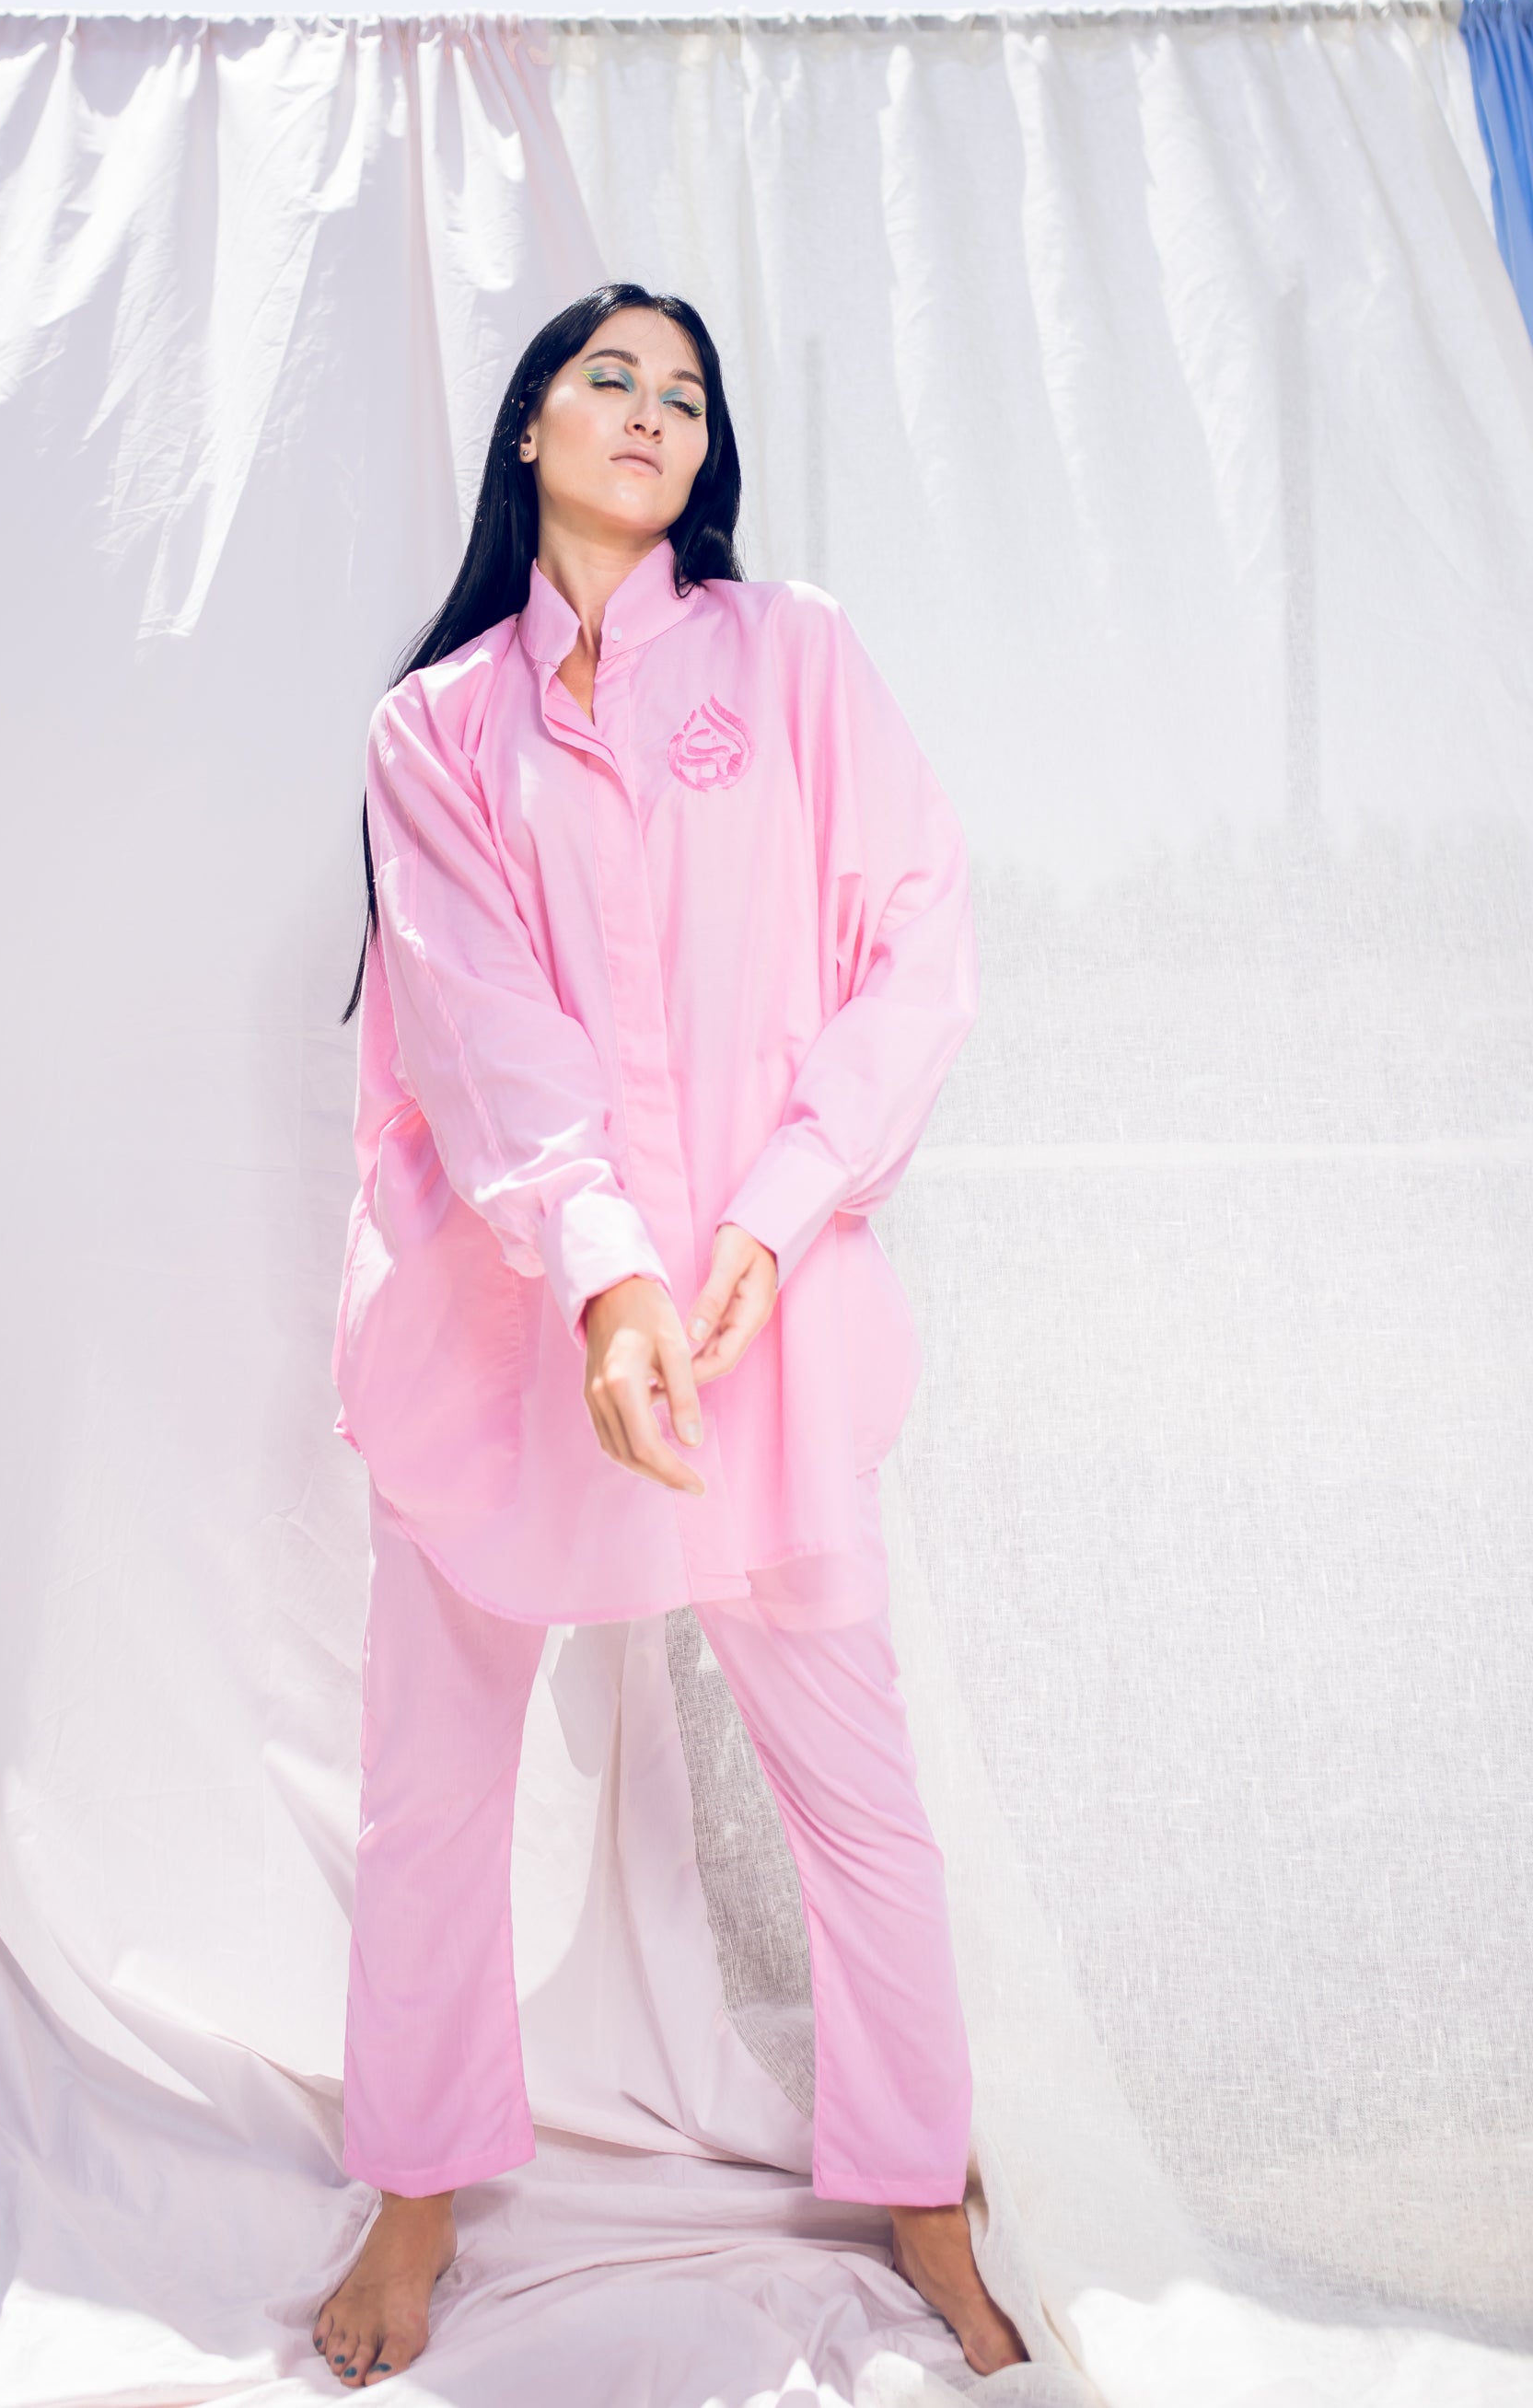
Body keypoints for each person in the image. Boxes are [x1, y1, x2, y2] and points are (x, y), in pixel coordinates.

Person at [313, 282, 1028, 2389]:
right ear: (531, 427)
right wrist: (609, 1272)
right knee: (431, 1786)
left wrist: (777, 1217)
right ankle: (416, 2193)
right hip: (501, 1317)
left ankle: (924, 2191)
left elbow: (918, 944)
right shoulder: (436, 728)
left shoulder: (794, 656)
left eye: (687, 394)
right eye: (608, 378)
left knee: (860, 1789)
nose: (650, 411)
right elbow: (479, 1031)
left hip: (760, 1314)